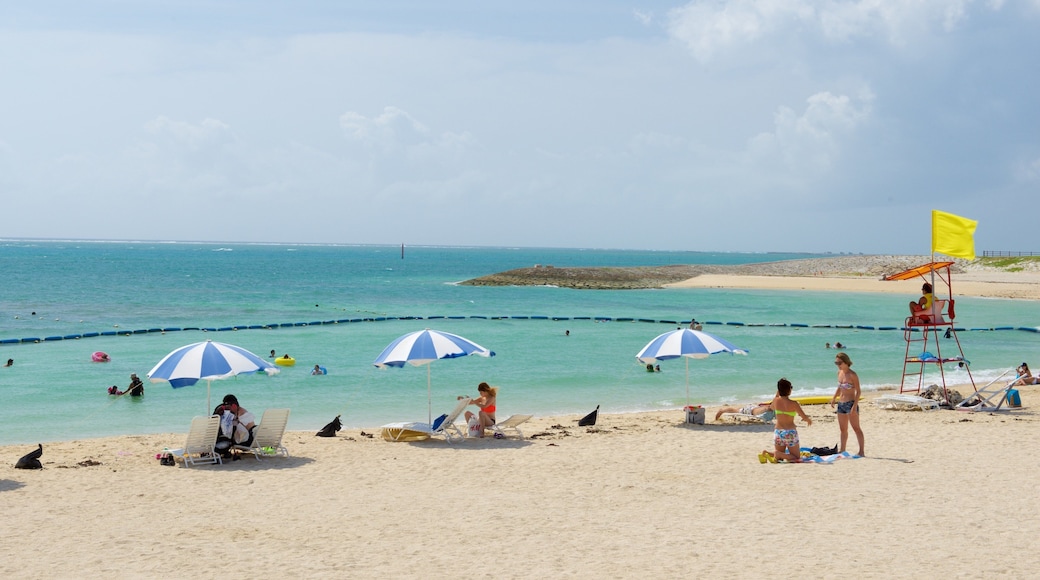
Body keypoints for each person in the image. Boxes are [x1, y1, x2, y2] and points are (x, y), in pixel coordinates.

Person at [760, 378, 811, 463]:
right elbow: (803, 416)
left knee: (780, 455)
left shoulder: (776, 401)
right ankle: (777, 454)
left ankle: (767, 453)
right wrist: (809, 420)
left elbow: (771, 408)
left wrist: (777, 395)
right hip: (790, 432)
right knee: (795, 457)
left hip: (778, 432)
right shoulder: (794, 404)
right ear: (789, 390)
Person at [830, 352, 865, 457]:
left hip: (850, 403)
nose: (838, 365)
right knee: (843, 429)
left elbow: (858, 391)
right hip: (841, 404)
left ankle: (861, 451)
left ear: (845, 362)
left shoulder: (852, 375)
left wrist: (854, 406)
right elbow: (839, 388)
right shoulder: (839, 373)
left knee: (856, 428)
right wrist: (834, 398)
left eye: (839, 363)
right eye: (836, 363)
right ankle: (843, 449)